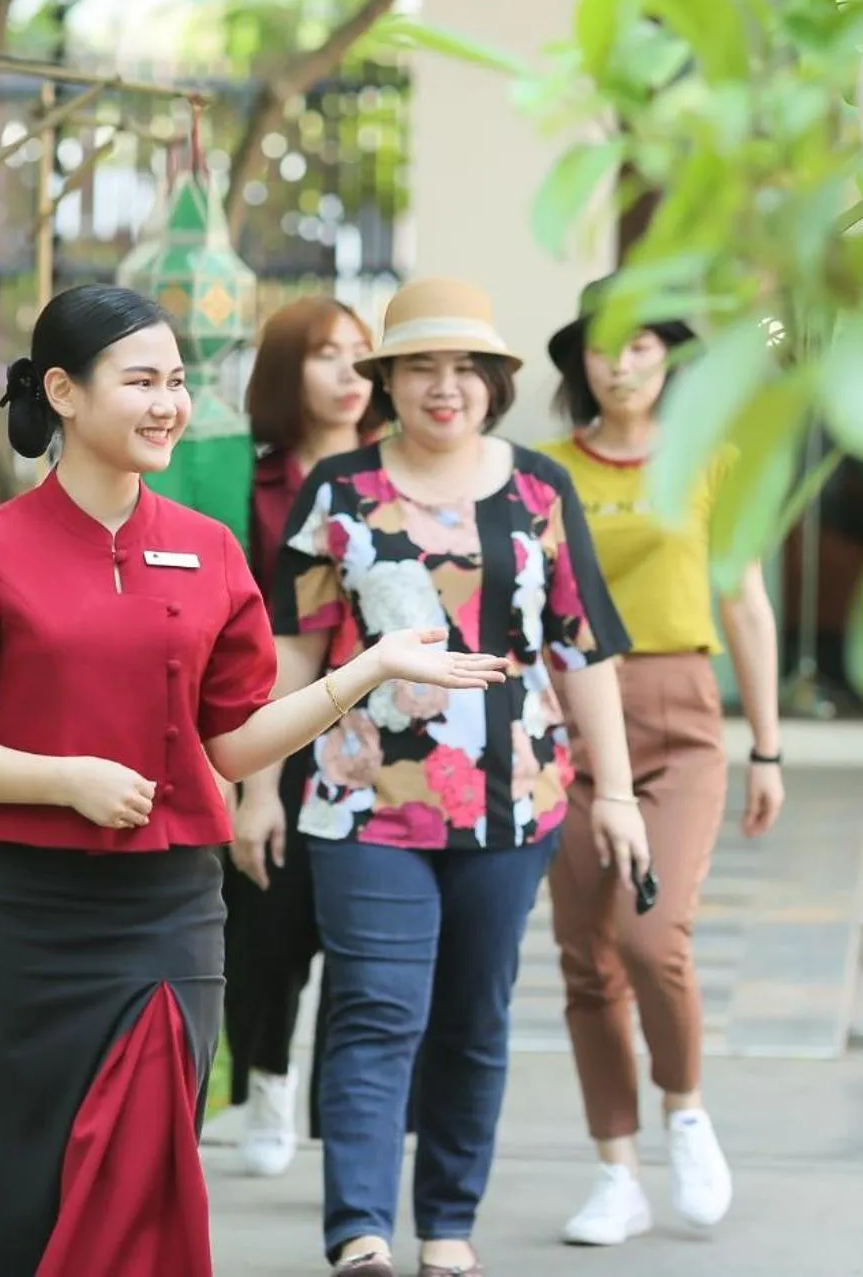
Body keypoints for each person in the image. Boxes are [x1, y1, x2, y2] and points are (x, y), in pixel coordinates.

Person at [0, 283, 512, 1277]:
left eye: (176, 382)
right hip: (27, 917)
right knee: (21, 1195)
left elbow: (229, 745)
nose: (167, 404)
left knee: (143, 1188)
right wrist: (65, 781)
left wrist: (367, 668)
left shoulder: (211, 550)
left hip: (167, 913)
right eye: (139, 380)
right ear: (61, 390)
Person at [237, 277, 652, 1277]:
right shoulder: (334, 492)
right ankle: (360, 1237)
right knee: (376, 1011)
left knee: (472, 1015)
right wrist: (255, 787)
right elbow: (291, 651)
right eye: (420, 365)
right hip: (357, 795)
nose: (444, 386)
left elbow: (582, 646)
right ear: (387, 381)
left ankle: (449, 1229)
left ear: (495, 384)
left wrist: (623, 795)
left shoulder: (539, 492)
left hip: (514, 801)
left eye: (466, 367)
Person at [535, 276, 786, 1247]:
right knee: (583, 957)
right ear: (577, 364)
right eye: (601, 346)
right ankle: (615, 1172)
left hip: (680, 715)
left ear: (666, 358)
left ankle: (683, 1110)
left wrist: (764, 745)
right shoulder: (539, 471)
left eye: (641, 344)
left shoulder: (710, 463)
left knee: (650, 940)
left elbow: (746, 604)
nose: (621, 361)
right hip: (565, 723)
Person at [226, 295, 379, 1178]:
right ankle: (267, 1082)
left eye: (364, 354)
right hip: (276, 717)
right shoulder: (249, 480)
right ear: (289, 370)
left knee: (361, 926)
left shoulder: (395, 474)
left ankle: (339, 1113)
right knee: (270, 921)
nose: (351, 373)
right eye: (328, 354)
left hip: (381, 730)